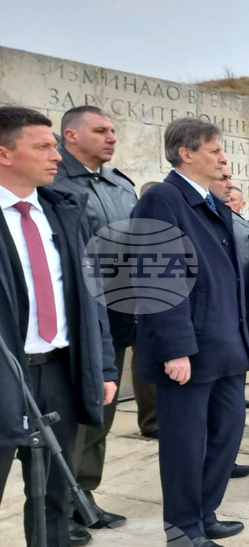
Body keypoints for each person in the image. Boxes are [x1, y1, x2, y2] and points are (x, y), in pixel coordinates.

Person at [131, 117, 249, 545]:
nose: (223, 158)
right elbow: (157, 279)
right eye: (214, 150)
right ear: (186, 154)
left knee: (229, 430)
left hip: (225, 345)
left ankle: (205, 512)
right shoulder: (163, 200)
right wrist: (175, 348)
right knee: (185, 444)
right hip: (190, 349)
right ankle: (182, 528)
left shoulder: (214, 202)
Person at [0, 107, 117, 547]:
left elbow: (92, 297)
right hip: (6, 371)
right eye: (43, 146)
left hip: (59, 371)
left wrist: (104, 365)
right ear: (4, 154)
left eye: (55, 145)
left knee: (53, 494)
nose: (56, 156)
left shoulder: (63, 211)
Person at [48, 106, 132, 536]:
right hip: (73, 316)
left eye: (113, 131)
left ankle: (84, 493)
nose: (111, 137)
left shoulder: (121, 185)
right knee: (70, 416)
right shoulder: (53, 184)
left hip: (117, 314)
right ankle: (59, 504)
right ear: (70, 136)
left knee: (102, 409)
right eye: (100, 131)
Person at [209, 173, 249, 482]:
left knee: (230, 404)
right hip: (215, 324)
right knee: (215, 405)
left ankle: (224, 459)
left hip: (239, 315)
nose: (230, 200)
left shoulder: (239, 224)